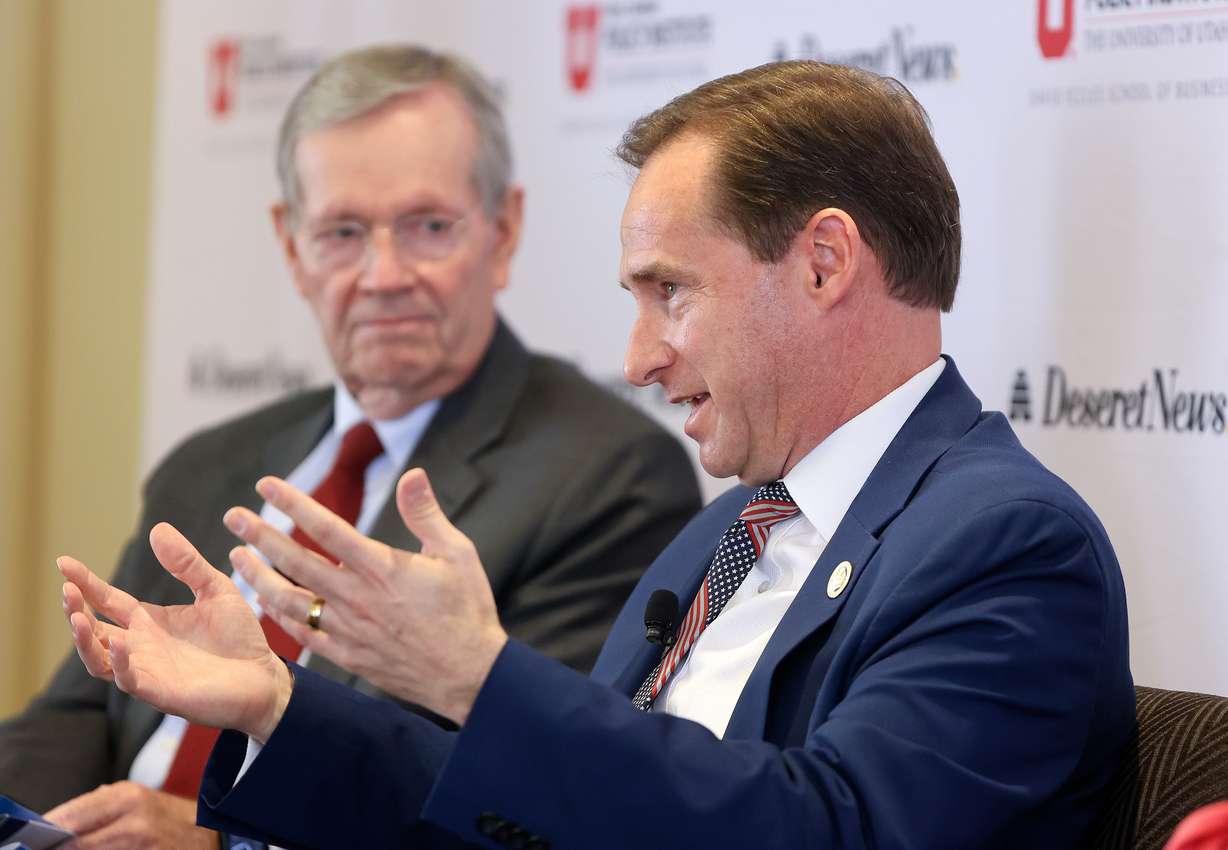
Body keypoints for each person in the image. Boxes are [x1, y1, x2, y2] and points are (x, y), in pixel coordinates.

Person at [58, 61, 1135, 850]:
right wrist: (276, 704)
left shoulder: (1003, 543)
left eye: (671, 291)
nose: (636, 357)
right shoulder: (723, 537)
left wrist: (479, 677)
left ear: (821, 264)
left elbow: (833, 832)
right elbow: (531, 816)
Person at [1, 45, 700, 848]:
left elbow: (520, 796)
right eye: (341, 231)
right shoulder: (211, 463)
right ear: (291, 246)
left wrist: (222, 839)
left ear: (503, 233)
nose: (383, 274)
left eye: (427, 226)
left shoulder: (605, 476)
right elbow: (80, 712)